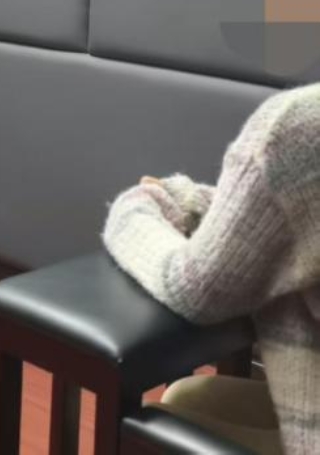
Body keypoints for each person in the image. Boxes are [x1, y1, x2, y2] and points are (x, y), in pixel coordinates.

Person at [103, 82, 320, 455]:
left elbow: (195, 288)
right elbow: (285, 214)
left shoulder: (299, 128)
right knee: (189, 395)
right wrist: (192, 200)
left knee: (162, 421)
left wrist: (136, 206)